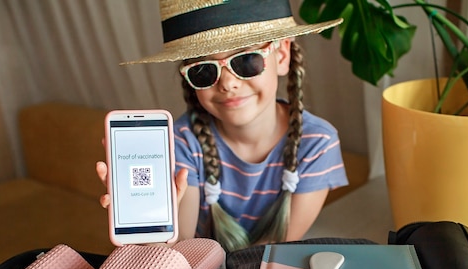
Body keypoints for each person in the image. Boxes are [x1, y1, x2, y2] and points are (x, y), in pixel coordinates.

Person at [97, 0, 349, 252]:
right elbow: (182, 249)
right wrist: (153, 231)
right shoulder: (182, 142)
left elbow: (273, 250)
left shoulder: (318, 143)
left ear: (282, 56)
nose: (227, 84)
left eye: (246, 60)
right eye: (204, 70)